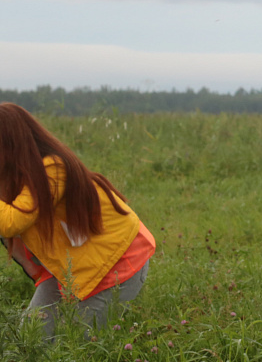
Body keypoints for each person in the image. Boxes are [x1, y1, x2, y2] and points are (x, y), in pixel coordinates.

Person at [0, 103, 155, 337]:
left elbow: (12, 222)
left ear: (10, 143)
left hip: (118, 264)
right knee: (31, 341)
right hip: (71, 270)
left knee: (77, 345)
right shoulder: (13, 179)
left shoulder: (52, 169)